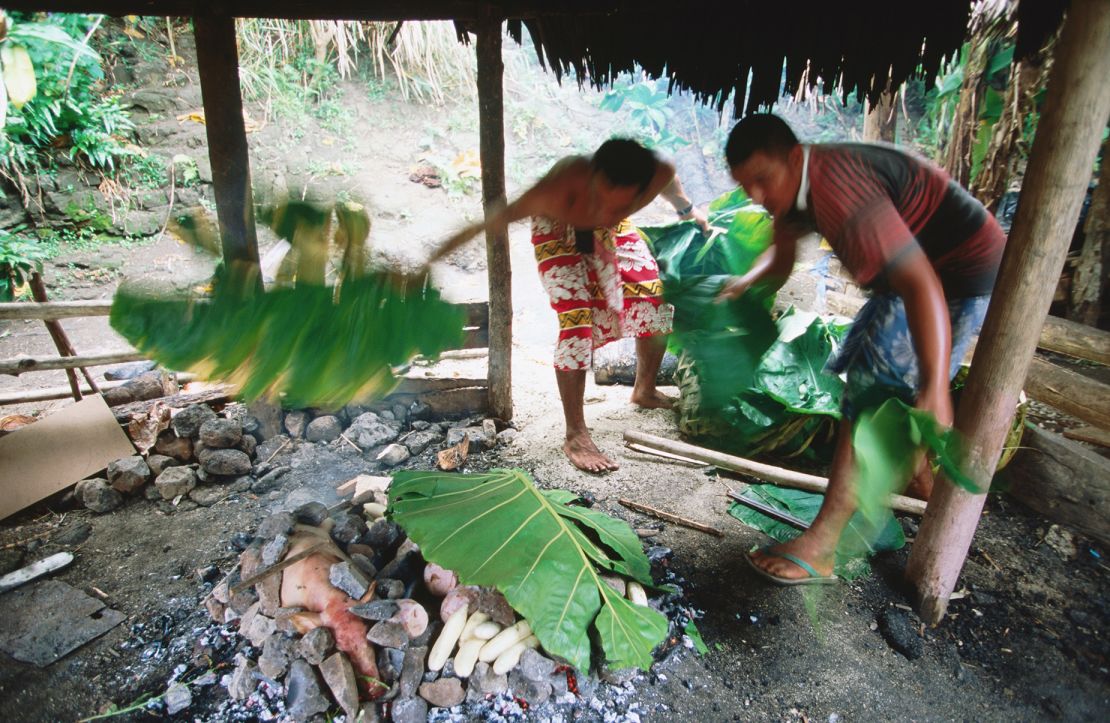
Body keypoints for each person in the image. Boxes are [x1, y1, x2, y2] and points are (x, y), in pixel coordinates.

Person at [718, 114, 1005, 584]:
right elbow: (783, 254)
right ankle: (919, 476)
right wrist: (743, 285)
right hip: (918, 272)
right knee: (865, 366)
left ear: (794, 157)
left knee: (870, 395)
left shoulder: (837, 189)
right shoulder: (797, 186)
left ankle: (823, 546)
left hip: (954, 270)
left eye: (762, 180)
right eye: (746, 186)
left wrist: (935, 386)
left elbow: (921, 283)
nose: (757, 196)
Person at [434, 138, 706, 473]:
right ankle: (575, 434)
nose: (609, 209)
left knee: (653, 297)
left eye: (622, 206)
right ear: (592, 180)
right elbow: (485, 223)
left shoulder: (657, 170)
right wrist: (426, 263)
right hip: (558, 228)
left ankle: (644, 389)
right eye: (603, 202)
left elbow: (670, 184)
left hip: (610, 232)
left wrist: (688, 212)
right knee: (577, 322)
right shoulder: (556, 189)